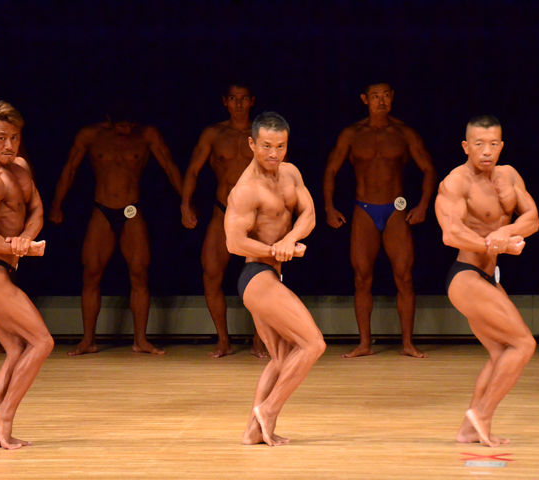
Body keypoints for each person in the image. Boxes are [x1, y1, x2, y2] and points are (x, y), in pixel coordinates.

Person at [435, 115, 538, 447]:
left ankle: (468, 430)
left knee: (500, 352)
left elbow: (532, 218)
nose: (486, 151)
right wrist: (494, 245)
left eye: (493, 144)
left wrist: (506, 232)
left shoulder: (509, 175)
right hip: (466, 277)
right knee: (524, 344)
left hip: (489, 277)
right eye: (479, 144)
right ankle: (482, 415)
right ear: (466, 146)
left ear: (502, 145)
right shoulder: (455, 182)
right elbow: (451, 233)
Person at [225, 111, 325, 446]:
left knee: (282, 359)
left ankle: (253, 432)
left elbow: (309, 214)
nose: (274, 153)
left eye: (280, 146)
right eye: (267, 146)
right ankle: (267, 411)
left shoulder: (291, 173)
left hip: (271, 274)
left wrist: (289, 239)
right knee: (313, 344)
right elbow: (234, 243)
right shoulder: (245, 190)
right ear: (252, 144)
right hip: (256, 276)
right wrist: (275, 249)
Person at [49, 109, 183, 356]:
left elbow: (169, 166)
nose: (127, 130)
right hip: (102, 209)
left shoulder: (147, 135)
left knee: (139, 273)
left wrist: (185, 203)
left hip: (132, 209)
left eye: (130, 124)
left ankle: (140, 340)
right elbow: (70, 169)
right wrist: (57, 204)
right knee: (91, 272)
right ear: (109, 119)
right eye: (121, 125)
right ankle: (88, 340)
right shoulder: (90, 135)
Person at [323, 82, 437, 358]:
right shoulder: (352, 134)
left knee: (405, 277)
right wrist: (329, 208)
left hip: (396, 208)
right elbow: (331, 170)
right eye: (375, 96)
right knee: (362, 279)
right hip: (363, 209)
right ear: (365, 99)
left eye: (386, 95)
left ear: (392, 97)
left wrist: (423, 205)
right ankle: (364, 343)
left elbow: (428, 169)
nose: (381, 101)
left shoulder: (404, 133)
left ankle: (407, 343)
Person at [0, 100, 52, 450]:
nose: (9, 145)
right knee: (43, 342)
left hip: (1, 270)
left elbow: (37, 210)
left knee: (16, 350)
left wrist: (25, 240)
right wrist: (18, 248)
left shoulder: (20, 167)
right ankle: (2, 416)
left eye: (14, 137)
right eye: (1, 138)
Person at [181, 83, 266, 358]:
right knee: (211, 274)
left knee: (262, 280)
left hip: (257, 216)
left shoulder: (264, 133)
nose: (238, 104)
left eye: (243, 99)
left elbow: (284, 173)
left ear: (252, 101)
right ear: (225, 102)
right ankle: (223, 340)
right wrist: (185, 204)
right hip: (223, 213)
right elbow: (193, 170)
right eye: (233, 99)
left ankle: (259, 340)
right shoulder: (214, 134)